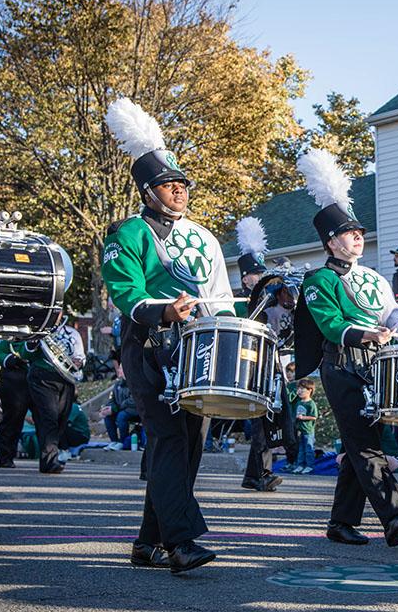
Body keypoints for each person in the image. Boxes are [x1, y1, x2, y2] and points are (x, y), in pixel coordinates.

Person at [102, 97, 235, 574]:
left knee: (187, 445)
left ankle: (147, 542)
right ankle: (182, 543)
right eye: (169, 184)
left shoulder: (205, 236)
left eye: (182, 183)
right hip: (150, 349)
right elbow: (125, 292)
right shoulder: (128, 234)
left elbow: (220, 295)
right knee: (168, 439)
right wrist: (165, 310)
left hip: (199, 351)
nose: (180, 190)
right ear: (148, 190)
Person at [294, 147, 398, 547]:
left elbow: (392, 315)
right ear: (332, 242)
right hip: (342, 364)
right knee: (365, 444)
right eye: (352, 233)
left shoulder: (375, 277)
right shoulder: (317, 281)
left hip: (374, 366)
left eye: (361, 233)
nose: (359, 237)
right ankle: (396, 513)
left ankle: (341, 522)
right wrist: (363, 333)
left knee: (358, 442)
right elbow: (331, 326)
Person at [234, 216, 283, 492]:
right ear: (245, 277)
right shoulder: (241, 301)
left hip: (266, 362)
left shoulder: (271, 301)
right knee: (261, 419)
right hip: (246, 365)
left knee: (266, 418)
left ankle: (256, 474)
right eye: (256, 274)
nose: (261, 278)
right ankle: (259, 473)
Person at [18, 321, 85, 473]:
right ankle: (49, 460)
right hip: (42, 376)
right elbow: (25, 353)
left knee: (61, 418)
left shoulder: (71, 332)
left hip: (66, 378)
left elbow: (80, 355)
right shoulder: (38, 329)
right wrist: (34, 342)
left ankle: (50, 456)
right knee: (49, 417)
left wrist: (79, 362)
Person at [0, 341, 30, 468]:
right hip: (13, 376)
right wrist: (10, 359)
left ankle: (49, 458)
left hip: (37, 374)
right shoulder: (5, 341)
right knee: (13, 418)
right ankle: (6, 454)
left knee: (47, 418)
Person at [101, 365, 139, 451]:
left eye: (121, 368)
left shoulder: (134, 383)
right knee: (108, 417)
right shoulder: (118, 384)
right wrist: (109, 408)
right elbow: (112, 399)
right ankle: (114, 441)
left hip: (134, 410)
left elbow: (132, 401)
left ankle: (123, 441)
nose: (119, 370)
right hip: (121, 409)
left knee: (121, 416)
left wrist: (115, 409)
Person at [292, 378, 317, 474]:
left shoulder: (311, 404)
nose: (300, 391)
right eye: (299, 389)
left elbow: (314, 417)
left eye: (302, 389)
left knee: (308, 448)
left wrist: (303, 418)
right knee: (301, 449)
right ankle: (300, 465)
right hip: (300, 430)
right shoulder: (299, 402)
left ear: (310, 390)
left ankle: (309, 465)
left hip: (308, 430)